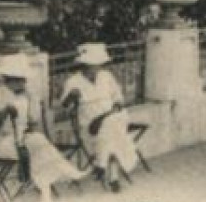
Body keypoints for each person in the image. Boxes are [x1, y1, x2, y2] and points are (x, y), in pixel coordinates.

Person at [0, 53, 84, 202]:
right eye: (20, 79)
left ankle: (46, 198)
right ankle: (68, 171)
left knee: (39, 150)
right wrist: (5, 111)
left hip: (23, 141)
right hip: (3, 142)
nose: (24, 82)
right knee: (38, 142)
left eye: (24, 79)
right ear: (10, 78)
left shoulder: (26, 95)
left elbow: (33, 120)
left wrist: (31, 100)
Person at [59, 42, 143, 191]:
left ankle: (101, 165)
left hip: (112, 117)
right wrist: (71, 96)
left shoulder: (106, 76)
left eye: (98, 64)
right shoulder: (73, 82)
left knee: (112, 124)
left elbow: (118, 97)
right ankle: (113, 177)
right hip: (91, 125)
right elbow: (65, 107)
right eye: (92, 65)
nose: (96, 68)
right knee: (114, 132)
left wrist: (117, 104)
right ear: (84, 64)